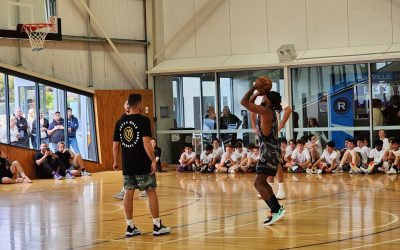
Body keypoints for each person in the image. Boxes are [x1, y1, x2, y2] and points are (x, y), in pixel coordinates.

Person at [112, 93, 171, 237]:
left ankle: (130, 227)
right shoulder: (144, 120)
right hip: (142, 163)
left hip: (127, 165)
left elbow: (115, 145)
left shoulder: (120, 122)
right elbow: (146, 142)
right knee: (151, 193)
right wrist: (152, 160)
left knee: (128, 193)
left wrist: (115, 161)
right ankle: (157, 225)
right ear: (138, 105)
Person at [241, 76, 286, 226]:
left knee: (258, 184)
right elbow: (251, 103)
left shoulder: (266, 111)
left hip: (268, 153)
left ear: (269, 101)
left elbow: (244, 103)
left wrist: (254, 87)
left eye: (264, 97)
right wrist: (258, 93)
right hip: (272, 152)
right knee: (263, 183)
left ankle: (276, 210)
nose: (262, 98)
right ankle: (276, 210)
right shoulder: (269, 111)